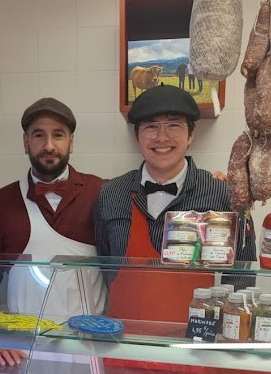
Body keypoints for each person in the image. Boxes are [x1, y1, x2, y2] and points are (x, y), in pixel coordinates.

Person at [93, 84, 256, 322]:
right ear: (137, 136)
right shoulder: (111, 193)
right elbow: (103, 265)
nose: (162, 137)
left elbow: (241, 275)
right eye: (151, 127)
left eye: (173, 125)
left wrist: (228, 331)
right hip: (123, 342)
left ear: (191, 135)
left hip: (197, 342)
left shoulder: (222, 194)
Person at [0, 98, 106, 367]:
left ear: (71, 141)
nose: (49, 146)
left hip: (93, 349)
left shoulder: (102, 193)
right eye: (39, 135)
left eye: (58, 135)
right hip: (24, 352)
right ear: (26, 143)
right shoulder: (0, 202)